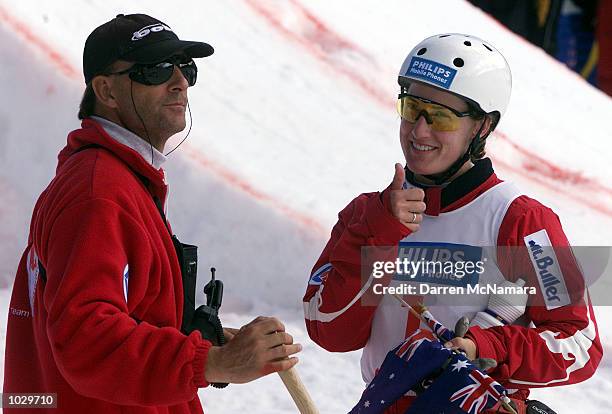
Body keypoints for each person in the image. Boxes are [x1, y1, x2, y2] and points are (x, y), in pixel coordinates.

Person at [4, 13, 301, 414]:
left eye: (186, 68)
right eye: (156, 69)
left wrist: (197, 344)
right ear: (106, 90)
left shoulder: (114, 181)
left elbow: (109, 320)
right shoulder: (99, 195)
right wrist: (212, 363)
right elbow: (86, 340)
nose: (179, 81)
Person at [303, 33, 602, 412]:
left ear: (482, 127)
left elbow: (578, 343)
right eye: (412, 108)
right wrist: (378, 233)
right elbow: (328, 330)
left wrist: (487, 346)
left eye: (441, 116)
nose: (420, 130)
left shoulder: (523, 221)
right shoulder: (367, 214)